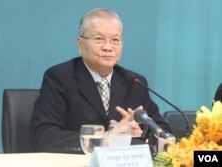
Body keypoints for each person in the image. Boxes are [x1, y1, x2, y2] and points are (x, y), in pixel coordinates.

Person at [30, 8, 171, 154]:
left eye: (115, 40)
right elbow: (43, 138)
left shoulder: (134, 82)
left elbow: (165, 134)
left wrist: (141, 133)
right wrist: (106, 138)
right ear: (80, 44)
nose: (108, 47)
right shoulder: (60, 77)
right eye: (98, 39)